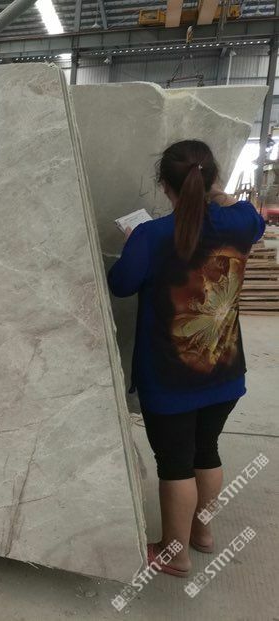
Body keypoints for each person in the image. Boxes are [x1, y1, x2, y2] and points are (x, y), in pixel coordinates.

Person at [107, 140, 265, 577]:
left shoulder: (152, 236)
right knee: (206, 451)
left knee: (175, 463)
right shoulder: (241, 221)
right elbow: (251, 218)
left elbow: (121, 284)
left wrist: (134, 244)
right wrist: (217, 193)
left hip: (170, 377)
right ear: (212, 179)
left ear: (164, 185)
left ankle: (174, 555)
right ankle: (202, 533)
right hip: (224, 369)